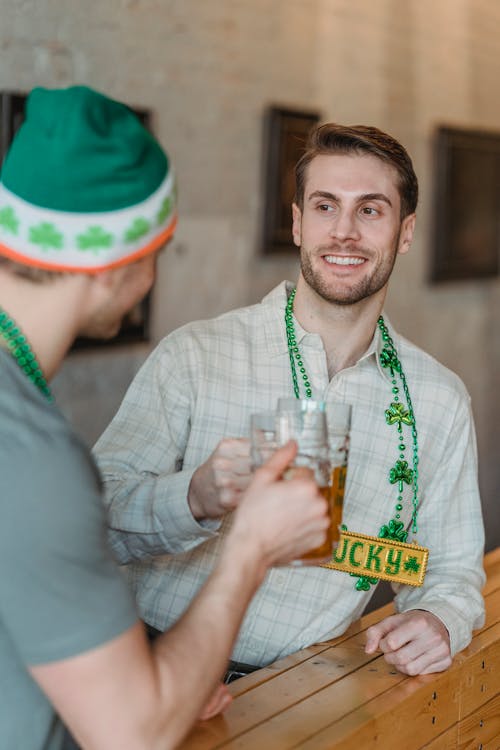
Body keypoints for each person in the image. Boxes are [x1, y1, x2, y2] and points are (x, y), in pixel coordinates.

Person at [0, 85, 330, 750]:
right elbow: (134, 735)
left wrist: (160, 676)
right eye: (159, 247)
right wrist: (249, 549)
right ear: (121, 263)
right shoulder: (33, 454)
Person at [95, 121, 486, 680]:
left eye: (371, 210)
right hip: (142, 663)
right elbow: (92, 522)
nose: (345, 232)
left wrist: (439, 617)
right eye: (325, 207)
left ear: (406, 231)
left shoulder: (438, 399)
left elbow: (452, 569)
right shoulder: (196, 354)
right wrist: (197, 496)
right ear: (299, 223)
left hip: (298, 697)